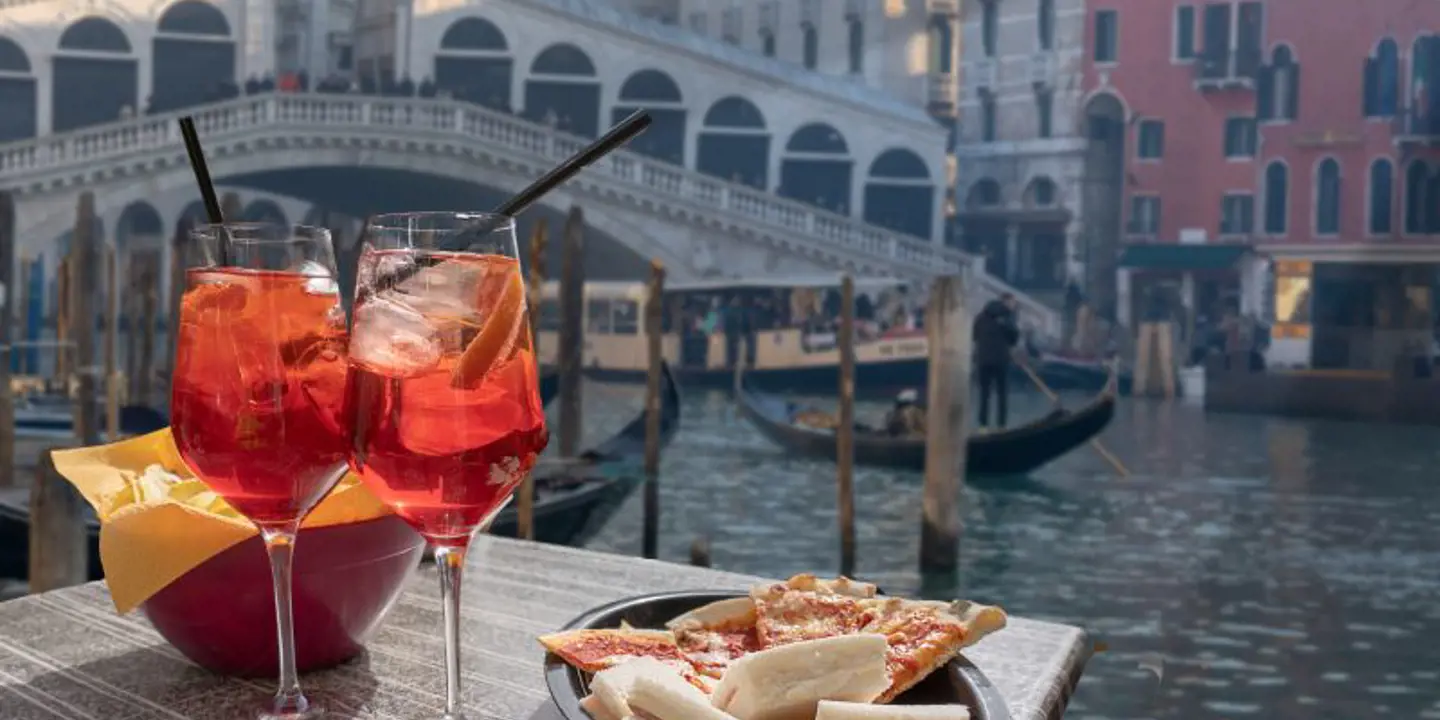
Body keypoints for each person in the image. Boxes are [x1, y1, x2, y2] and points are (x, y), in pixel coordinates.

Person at [973, 293, 1020, 429]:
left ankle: (983, 426)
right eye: (1013, 302)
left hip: (983, 360)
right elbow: (1014, 338)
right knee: (1002, 394)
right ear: (1006, 301)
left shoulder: (981, 317)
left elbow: (974, 335)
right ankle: (1001, 425)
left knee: (984, 394)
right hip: (1001, 360)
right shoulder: (1008, 316)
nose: (1014, 305)